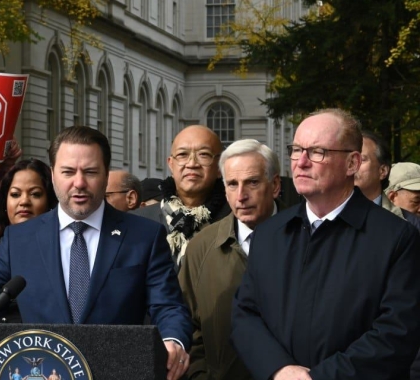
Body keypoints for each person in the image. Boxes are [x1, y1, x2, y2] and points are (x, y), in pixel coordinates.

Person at [0, 126, 193, 380]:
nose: (78, 183)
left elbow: (168, 306)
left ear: (106, 175)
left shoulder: (143, 236)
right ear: (53, 175)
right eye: (68, 172)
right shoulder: (20, 239)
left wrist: (173, 342)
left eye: (90, 172)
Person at [231, 109, 420, 379]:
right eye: (296, 150)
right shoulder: (269, 234)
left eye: (317, 151)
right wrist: (279, 369)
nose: (301, 162)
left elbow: (397, 333)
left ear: (352, 163)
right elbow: (245, 315)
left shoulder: (397, 238)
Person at [179, 139, 282, 380]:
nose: (241, 195)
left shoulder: (306, 239)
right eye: (232, 184)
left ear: (275, 185)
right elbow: (188, 326)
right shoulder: (200, 247)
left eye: (252, 182)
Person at [131, 126, 230, 269]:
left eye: (203, 155)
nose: (192, 164)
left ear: (220, 167)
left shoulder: (236, 220)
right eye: (183, 155)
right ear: (171, 164)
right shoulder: (138, 222)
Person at [0, 159, 58, 284]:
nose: (24, 201)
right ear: (5, 202)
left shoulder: (62, 247)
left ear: (49, 202)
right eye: (15, 194)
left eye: (35, 194)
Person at [354, 131, 420, 230]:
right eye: (416, 201)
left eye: (362, 159)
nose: (352, 166)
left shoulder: (410, 227)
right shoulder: (327, 214)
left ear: (383, 171)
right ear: (392, 196)